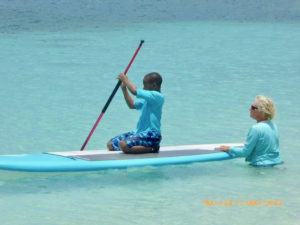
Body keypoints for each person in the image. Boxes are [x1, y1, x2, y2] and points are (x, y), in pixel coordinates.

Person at [107, 72, 164, 154]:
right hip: (139, 132)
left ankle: (152, 148)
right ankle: (139, 148)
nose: (143, 88)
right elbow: (132, 105)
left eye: (145, 85)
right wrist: (124, 89)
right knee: (111, 145)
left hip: (152, 134)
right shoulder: (147, 100)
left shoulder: (158, 96)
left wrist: (125, 80)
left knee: (123, 145)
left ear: (154, 85)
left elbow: (134, 91)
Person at [219, 95, 282, 167]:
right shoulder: (273, 125)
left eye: (253, 107)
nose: (250, 109)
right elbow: (266, 146)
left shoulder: (255, 129)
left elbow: (244, 153)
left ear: (261, 111)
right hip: (277, 163)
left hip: (261, 166)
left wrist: (230, 149)